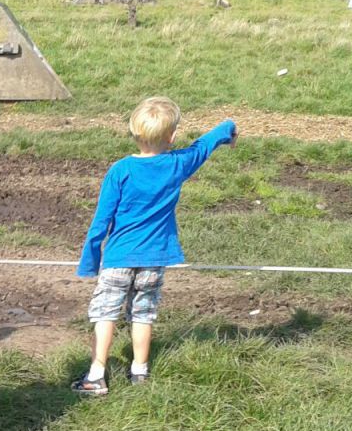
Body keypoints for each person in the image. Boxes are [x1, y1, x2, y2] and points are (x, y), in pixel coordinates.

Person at [72, 98, 236, 396]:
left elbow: (101, 220)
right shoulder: (177, 164)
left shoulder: (120, 170)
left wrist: (89, 260)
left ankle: (96, 376)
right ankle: (140, 372)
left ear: (133, 131)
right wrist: (228, 129)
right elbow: (202, 146)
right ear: (172, 137)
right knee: (143, 313)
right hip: (155, 260)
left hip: (118, 258)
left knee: (105, 313)